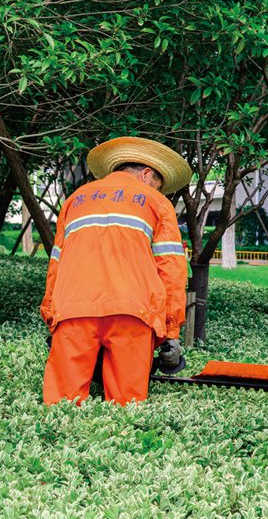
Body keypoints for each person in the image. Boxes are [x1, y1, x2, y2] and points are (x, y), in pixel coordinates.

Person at [41, 137, 191, 405]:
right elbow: (171, 270)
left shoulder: (75, 200)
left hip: (73, 310)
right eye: (159, 184)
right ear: (146, 174)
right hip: (133, 313)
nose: (160, 191)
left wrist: (51, 313)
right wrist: (171, 332)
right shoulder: (156, 203)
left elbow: (56, 263)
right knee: (126, 408)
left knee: (60, 407)